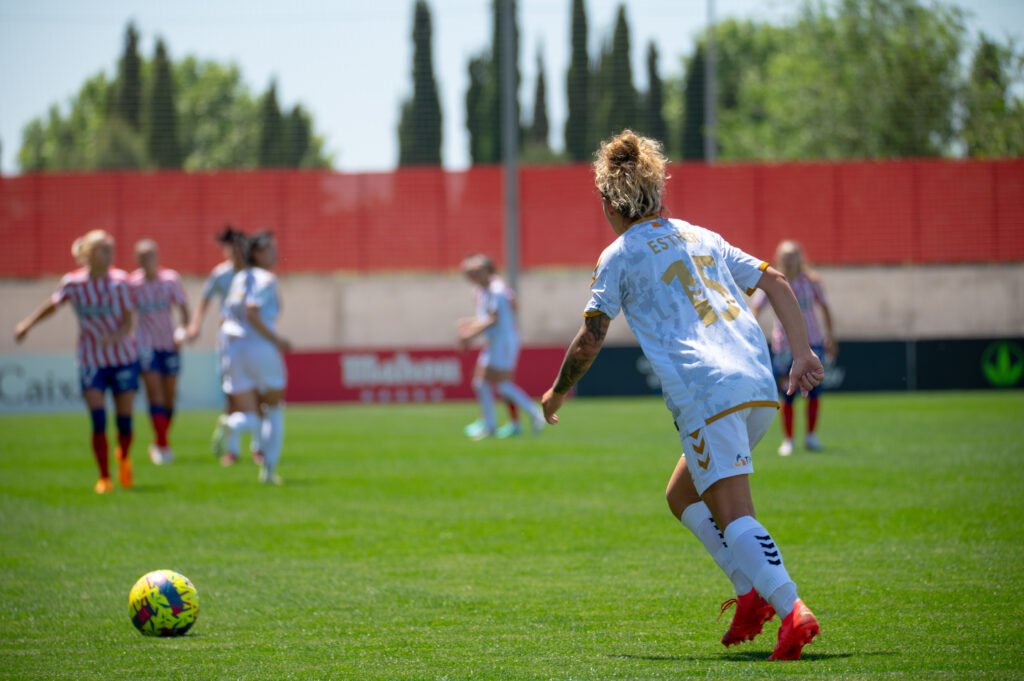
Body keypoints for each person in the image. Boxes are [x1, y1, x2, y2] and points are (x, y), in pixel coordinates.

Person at [540, 131, 824, 660]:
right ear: (657, 190)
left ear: (609, 203)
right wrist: (803, 353)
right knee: (682, 495)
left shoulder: (619, 255)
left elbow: (591, 336)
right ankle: (750, 593)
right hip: (758, 383)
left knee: (735, 514)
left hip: (707, 391)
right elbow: (777, 282)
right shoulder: (700, 235)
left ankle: (790, 608)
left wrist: (557, 392)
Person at [14, 230, 138, 494]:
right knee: (98, 419)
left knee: (124, 422)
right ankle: (104, 476)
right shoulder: (73, 283)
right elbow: (53, 305)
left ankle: (124, 456)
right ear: (90, 254)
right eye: (104, 249)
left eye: (111, 249)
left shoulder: (120, 282)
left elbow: (129, 322)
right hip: (90, 359)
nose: (110, 254)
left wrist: (114, 337)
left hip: (122, 358)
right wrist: (27, 324)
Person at [212, 231, 291, 484]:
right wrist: (277, 340)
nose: (275, 253)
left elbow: (225, 317)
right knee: (274, 409)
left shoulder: (238, 278)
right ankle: (268, 472)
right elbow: (253, 312)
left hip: (233, 349)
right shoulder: (265, 278)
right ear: (256, 253)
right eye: (270, 249)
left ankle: (234, 423)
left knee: (252, 414)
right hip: (258, 347)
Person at [185, 226, 263, 464]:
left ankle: (258, 447)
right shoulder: (221, 275)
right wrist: (194, 325)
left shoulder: (256, 275)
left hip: (254, 343)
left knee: (258, 395)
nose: (237, 253)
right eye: (232, 249)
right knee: (232, 397)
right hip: (230, 346)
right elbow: (205, 301)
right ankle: (233, 449)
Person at [751, 240, 836, 456]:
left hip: (812, 343)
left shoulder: (812, 282)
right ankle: (788, 439)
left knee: (814, 390)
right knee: (787, 393)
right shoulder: (774, 281)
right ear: (779, 258)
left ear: (801, 257)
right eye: (785, 256)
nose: (789, 260)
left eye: (793, 256)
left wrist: (830, 336)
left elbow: (825, 307)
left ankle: (811, 436)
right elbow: (756, 309)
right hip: (784, 346)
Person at [457, 254, 544, 440]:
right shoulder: (483, 290)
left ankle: (534, 414)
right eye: (471, 272)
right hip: (495, 341)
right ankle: (490, 424)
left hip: (503, 342)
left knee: (502, 385)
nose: (473, 275)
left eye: (477, 271)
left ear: (489, 271)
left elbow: (493, 319)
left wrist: (470, 335)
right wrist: (468, 325)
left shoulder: (496, 290)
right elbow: (487, 317)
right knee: (481, 383)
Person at [129, 239, 190, 465]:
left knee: (169, 397)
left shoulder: (170, 280)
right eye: (143, 257)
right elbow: (126, 315)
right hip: (145, 345)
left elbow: (184, 311)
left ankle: (159, 439)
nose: (147, 261)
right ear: (138, 260)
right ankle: (164, 446)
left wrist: (183, 331)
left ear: (158, 257)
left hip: (169, 344)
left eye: (151, 256)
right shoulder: (133, 284)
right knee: (155, 394)